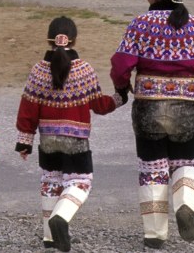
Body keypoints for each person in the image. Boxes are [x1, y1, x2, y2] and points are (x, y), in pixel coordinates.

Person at [111, 0, 194, 250]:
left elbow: (121, 65)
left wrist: (121, 87)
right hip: (187, 108)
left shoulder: (140, 24)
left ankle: (155, 234)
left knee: (152, 169)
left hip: (148, 107)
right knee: (187, 162)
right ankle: (185, 205)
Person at [16, 16, 126, 251]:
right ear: (74, 40)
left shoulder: (38, 71)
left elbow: (28, 109)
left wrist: (24, 142)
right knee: (80, 181)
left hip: (47, 140)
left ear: (48, 39)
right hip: (76, 140)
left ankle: (50, 237)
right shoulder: (84, 70)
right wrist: (120, 98)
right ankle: (61, 217)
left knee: (51, 181)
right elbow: (99, 105)